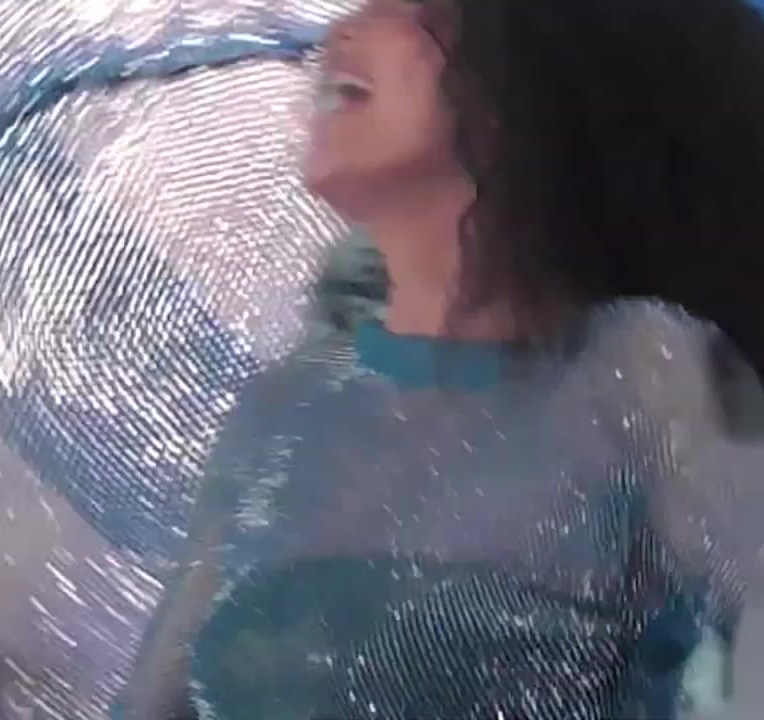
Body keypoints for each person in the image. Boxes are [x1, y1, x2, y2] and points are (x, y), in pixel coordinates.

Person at [111, 0, 764, 718]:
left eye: (410, 3)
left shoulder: (639, 370)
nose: (343, 29)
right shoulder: (282, 408)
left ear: (523, 70)